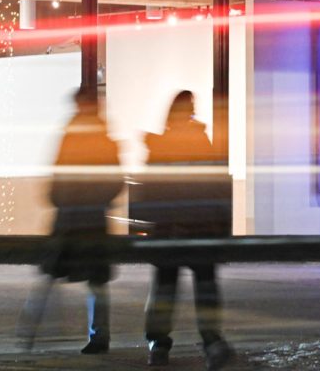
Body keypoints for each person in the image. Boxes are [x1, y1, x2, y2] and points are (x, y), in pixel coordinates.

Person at [18, 87, 123, 354]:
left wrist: (62, 200)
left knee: (51, 274)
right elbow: (116, 181)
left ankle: (29, 332)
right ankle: (98, 336)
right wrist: (98, 199)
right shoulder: (105, 139)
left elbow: (58, 175)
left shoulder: (71, 135)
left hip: (69, 218)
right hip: (93, 221)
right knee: (96, 282)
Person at [136, 91, 233, 370]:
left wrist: (154, 225)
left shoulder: (160, 144)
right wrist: (220, 226)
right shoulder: (201, 141)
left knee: (165, 290)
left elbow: (148, 191)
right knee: (205, 288)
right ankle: (211, 342)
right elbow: (215, 186)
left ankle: (158, 345)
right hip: (200, 229)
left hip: (169, 231)